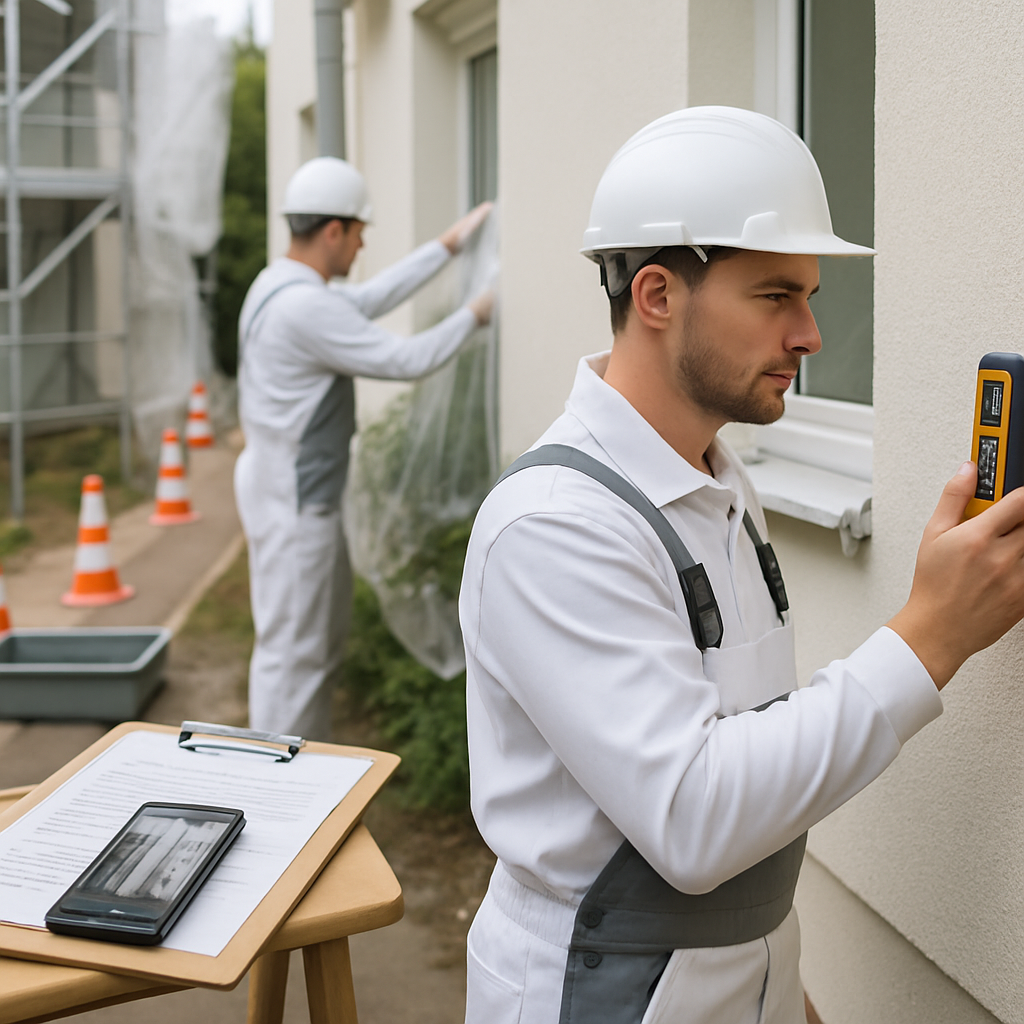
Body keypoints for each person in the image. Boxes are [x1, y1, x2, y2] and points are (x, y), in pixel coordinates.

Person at [459, 106, 1024, 1024]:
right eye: (775, 296)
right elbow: (694, 819)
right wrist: (930, 635)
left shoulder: (721, 486)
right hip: (596, 994)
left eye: (809, 296)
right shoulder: (554, 525)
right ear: (657, 295)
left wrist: (780, 987)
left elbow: (753, 779)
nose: (809, 334)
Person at [235, 156, 494, 740]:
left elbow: (369, 298)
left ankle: (294, 757)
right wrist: (474, 315)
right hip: (296, 503)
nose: (361, 245)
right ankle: (276, 769)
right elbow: (405, 360)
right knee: (295, 653)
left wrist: (446, 247)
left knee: (306, 643)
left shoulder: (278, 284)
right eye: (358, 232)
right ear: (334, 231)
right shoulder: (305, 307)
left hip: (281, 488)